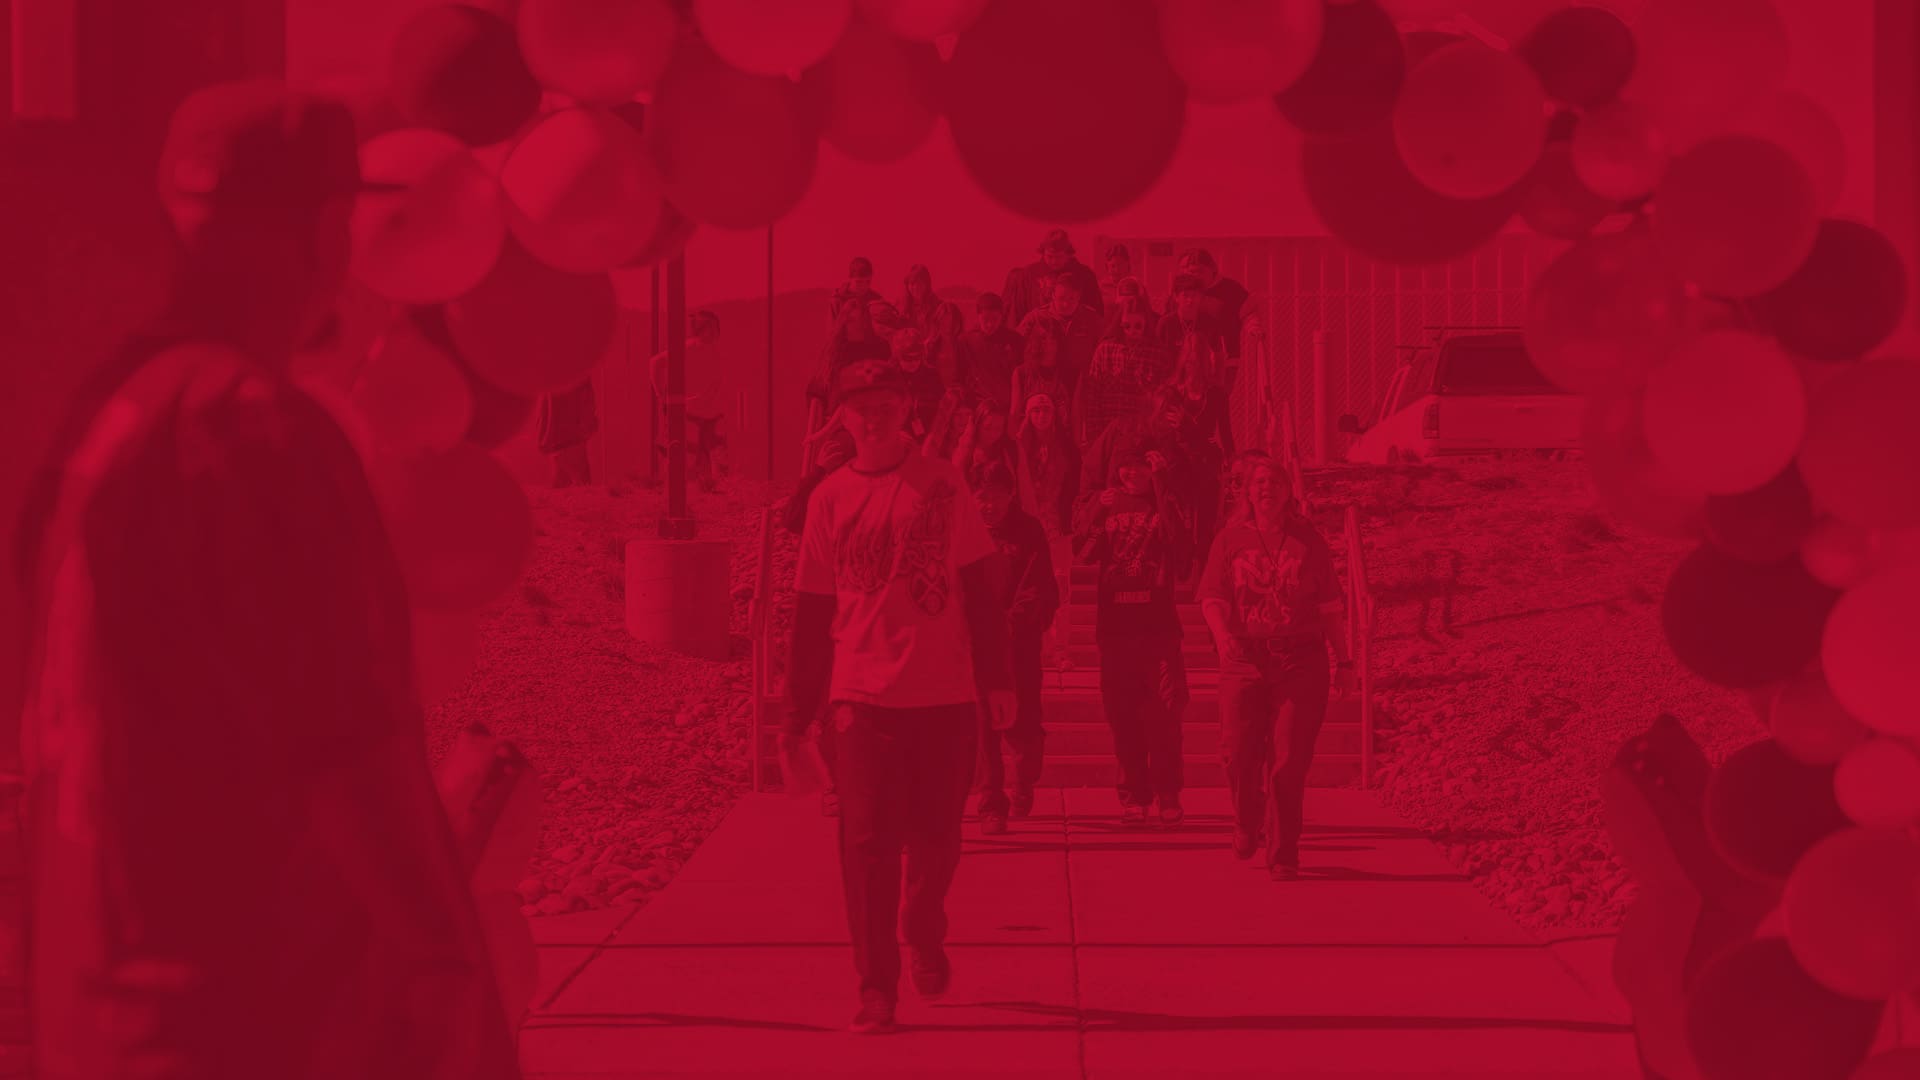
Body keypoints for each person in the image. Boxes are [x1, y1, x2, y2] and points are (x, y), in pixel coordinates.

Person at [14, 82, 516, 1078]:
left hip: (101, 1019)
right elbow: (355, 756)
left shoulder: (101, 423)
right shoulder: (254, 431)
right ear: (328, 235)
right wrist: (449, 969)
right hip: (247, 1024)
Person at [785, 358, 1016, 1035]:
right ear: (843, 417)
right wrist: (796, 714)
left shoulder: (942, 483)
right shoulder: (828, 498)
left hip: (943, 695)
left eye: (886, 401)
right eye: (861, 404)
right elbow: (810, 613)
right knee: (866, 845)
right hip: (860, 697)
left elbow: (980, 587)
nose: (875, 414)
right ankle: (876, 987)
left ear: (906, 407)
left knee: (938, 840)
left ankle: (922, 923)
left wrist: (998, 677)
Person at [1197, 454, 1354, 881]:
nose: (1267, 488)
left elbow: (1329, 607)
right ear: (1248, 492)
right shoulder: (1229, 540)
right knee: (1236, 752)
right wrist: (1222, 636)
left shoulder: (1309, 542)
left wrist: (1345, 660)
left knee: (1289, 759)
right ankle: (1246, 818)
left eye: (1276, 482)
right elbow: (1212, 597)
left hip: (1300, 659)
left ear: (1288, 492)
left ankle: (1284, 852)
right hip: (1244, 658)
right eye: (1260, 482)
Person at [1075, 448, 1191, 826]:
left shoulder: (1164, 499)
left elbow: (1181, 546)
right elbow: (1083, 552)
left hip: (1159, 629)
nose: (1133, 472)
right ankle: (1134, 795)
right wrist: (1097, 510)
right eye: (1126, 465)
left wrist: (1162, 486)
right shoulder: (1107, 503)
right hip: (1116, 629)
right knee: (1122, 715)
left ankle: (1168, 792)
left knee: (1167, 712)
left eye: (1141, 464)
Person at [972, 463, 1057, 836]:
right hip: (977, 646)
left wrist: (1008, 627)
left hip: (1019, 643)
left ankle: (1024, 779)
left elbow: (1037, 585)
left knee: (1023, 721)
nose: (988, 505)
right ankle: (991, 802)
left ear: (1010, 495)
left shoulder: (1028, 531)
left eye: (995, 496)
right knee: (983, 725)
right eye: (981, 497)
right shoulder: (964, 532)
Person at [1014, 392, 1080, 668]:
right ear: (1028, 415)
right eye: (1036, 411)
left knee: (1061, 588)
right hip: (1028, 527)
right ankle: (1038, 647)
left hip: (1058, 527)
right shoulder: (1018, 448)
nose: (1041, 416)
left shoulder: (1066, 447)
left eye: (1046, 410)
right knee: (1031, 588)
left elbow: (1074, 486)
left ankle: (1061, 649)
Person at [1180, 249, 1251, 454]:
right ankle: (1198, 449)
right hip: (1192, 361)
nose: (1196, 275)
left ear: (1212, 270)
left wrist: (1252, 324)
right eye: (1191, 271)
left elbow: (1251, 306)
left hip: (1225, 358)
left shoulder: (1230, 289)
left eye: (1200, 271)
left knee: (1219, 403)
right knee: (1195, 406)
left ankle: (1227, 454)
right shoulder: (1186, 292)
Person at [650, 309, 728, 491]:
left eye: (716, 327)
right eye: (710, 327)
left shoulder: (714, 351)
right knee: (688, 465)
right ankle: (683, 495)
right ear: (701, 329)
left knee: (716, 464)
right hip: (689, 415)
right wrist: (660, 395)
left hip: (712, 415)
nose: (715, 332)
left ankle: (711, 496)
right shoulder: (687, 348)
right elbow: (655, 363)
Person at [1079, 298, 1173, 445]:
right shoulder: (1105, 350)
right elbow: (1093, 397)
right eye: (1127, 326)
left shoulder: (1158, 354)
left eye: (1138, 326)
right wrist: (1095, 436)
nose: (1132, 331)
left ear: (1146, 323)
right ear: (1120, 324)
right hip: (1109, 432)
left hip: (1142, 435)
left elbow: (1163, 402)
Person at [1016, 277, 1104, 402]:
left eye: (1071, 299)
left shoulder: (1092, 319)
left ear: (1079, 297)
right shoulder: (1036, 317)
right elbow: (1016, 344)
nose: (1066, 304)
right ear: (1053, 295)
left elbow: (1103, 350)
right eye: (1061, 298)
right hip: (1047, 385)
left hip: (1081, 384)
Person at [1002, 229, 1103, 328]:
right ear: (1043, 253)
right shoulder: (1029, 275)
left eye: (1059, 257)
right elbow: (1017, 310)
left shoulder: (1084, 275)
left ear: (1068, 254)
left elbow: (1095, 310)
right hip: (1038, 332)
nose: (1054, 261)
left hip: (1075, 331)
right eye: (1050, 256)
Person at [1009, 322, 1076, 439]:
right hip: (1030, 439)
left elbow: (1075, 413)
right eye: (1044, 339)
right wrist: (1015, 440)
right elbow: (1015, 412)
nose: (1049, 343)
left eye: (1053, 339)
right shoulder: (1021, 373)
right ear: (1035, 342)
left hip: (1060, 439)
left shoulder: (1069, 374)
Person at [961, 292, 1023, 413]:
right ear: (978, 316)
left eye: (995, 319)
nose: (990, 324)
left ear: (1001, 316)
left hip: (1010, 404)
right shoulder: (966, 341)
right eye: (985, 319)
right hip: (980, 405)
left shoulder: (1015, 340)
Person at [535, 378, 597, 488]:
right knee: (583, 487)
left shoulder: (549, 377)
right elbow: (587, 405)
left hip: (555, 444)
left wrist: (543, 438)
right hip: (574, 440)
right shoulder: (579, 376)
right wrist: (590, 427)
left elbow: (542, 410)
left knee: (561, 486)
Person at [891, 328, 945, 442]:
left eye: (916, 357)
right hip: (899, 436)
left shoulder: (932, 375)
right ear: (897, 357)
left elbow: (942, 407)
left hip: (930, 434)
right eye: (907, 358)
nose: (912, 362)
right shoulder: (890, 378)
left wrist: (935, 434)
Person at [925, 298, 972, 392]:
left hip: (959, 392)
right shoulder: (929, 346)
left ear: (957, 324)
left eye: (951, 323)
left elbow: (969, 375)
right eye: (943, 323)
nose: (947, 328)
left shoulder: (965, 346)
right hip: (935, 392)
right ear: (937, 323)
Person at [830, 255, 884, 326]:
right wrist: (844, 313)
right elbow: (831, 332)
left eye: (868, 281)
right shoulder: (837, 300)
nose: (864, 286)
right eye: (859, 282)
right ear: (850, 278)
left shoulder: (876, 300)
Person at [897, 263, 939, 339]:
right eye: (912, 283)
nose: (916, 287)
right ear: (907, 285)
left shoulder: (937, 306)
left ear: (927, 284)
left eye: (919, 283)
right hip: (908, 344)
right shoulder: (900, 306)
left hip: (931, 344)